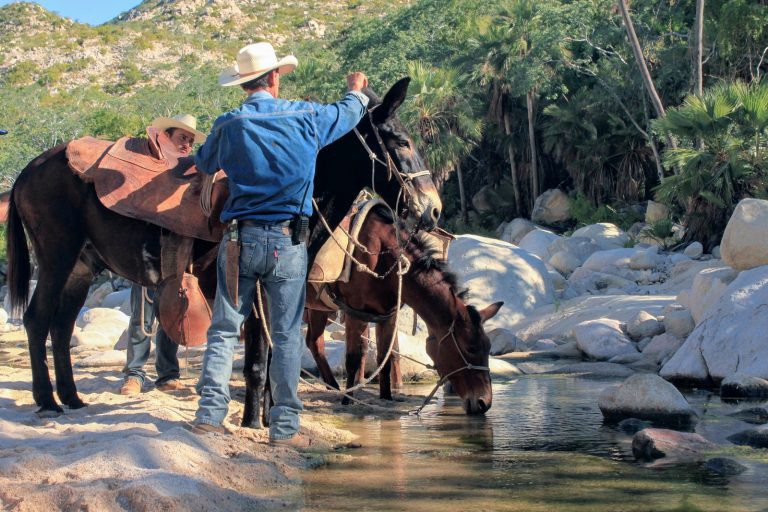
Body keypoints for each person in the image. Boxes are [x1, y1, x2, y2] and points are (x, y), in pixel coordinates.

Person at [191, 41, 369, 449]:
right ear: (274, 78)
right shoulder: (308, 117)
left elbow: (203, 163)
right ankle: (284, 427)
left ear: (243, 85)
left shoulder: (229, 124)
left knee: (223, 329)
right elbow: (347, 113)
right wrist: (356, 89)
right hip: (289, 242)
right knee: (287, 334)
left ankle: (209, 416)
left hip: (238, 240)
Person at [120, 114, 207, 396]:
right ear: (166, 136)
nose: (186, 146)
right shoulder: (147, 167)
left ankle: (167, 374)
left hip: (178, 251)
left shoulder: (191, 173)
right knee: (142, 315)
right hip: (146, 251)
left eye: (190, 141)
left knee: (172, 310)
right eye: (182, 138)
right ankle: (134, 374)